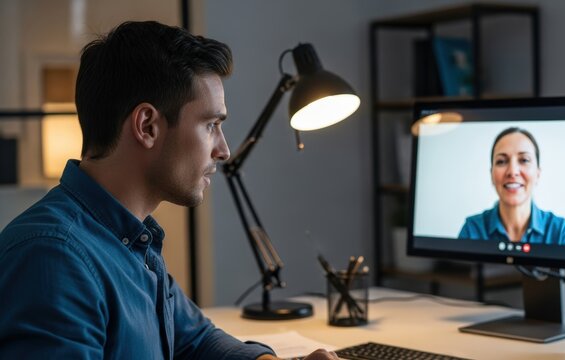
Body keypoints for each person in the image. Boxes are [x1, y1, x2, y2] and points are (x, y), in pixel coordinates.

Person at [0, 21, 337, 360]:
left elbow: (196, 340)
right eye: (211, 125)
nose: (224, 150)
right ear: (147, 126)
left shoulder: (132, 239)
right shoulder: (54, 258)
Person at [458, 127, 565, 246]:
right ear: (491, 175)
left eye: (524, 160)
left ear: (538, 173)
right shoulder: (471, 229)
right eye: (501, 161)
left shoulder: (560, 231)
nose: (512, 171)